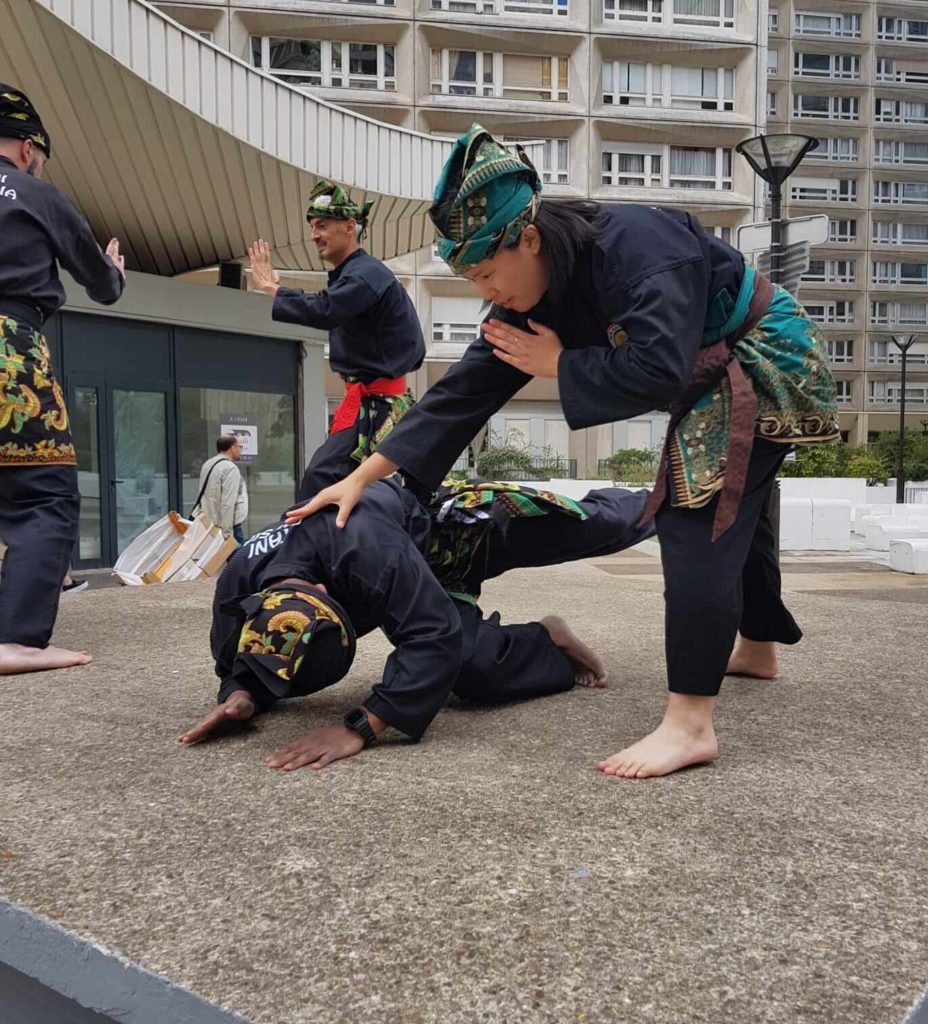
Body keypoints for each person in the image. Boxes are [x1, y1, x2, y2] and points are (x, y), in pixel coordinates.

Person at [285, 125, 840, 779]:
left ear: (528, 237)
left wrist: (561, 363)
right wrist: (365, 477)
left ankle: (690, 724)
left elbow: (658, 367)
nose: (488, 292)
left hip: (762, 354)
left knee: (696, 510)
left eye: (489, 273)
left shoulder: (635, 248)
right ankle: (758, 646)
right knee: (741, 499)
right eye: (473, 281)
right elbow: (461, 396)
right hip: (712, 368)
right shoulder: (527, 294)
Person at [178, 478, 654, 769]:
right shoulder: (238, 583)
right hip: (396, 569)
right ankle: (548, 641)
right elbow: (238, 662)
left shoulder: (365, 549)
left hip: (452, 534)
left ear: (327, 594)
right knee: (472, 670)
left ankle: (677, 495)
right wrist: (241, 697)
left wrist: (360, 727)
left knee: (598, 526)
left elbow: (432, 635)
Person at [0, 83, 125, 675]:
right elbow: (101, 284)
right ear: (27, 147)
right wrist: (115, 271)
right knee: (42, 496)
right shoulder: (35, 194)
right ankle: (17, 638)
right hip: (10, 351)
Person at [246, 180, 426, 500]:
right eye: (314, 226)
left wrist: (273, 288)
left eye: (322, 225)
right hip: (369, 405)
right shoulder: (355, 276)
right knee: (353, 490)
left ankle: (324, 548)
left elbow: (326, 308)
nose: (315, 234)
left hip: (377, 409)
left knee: (322, 479)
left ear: (350, 226)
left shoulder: (366, 275)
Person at [194, 435, 248, 544]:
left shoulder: (208, 464)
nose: (241, 450)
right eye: (240, 447)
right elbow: (227, 503)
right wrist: (227, 535)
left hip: (209, 522)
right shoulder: (230, 468)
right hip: (229, 526)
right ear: (232, 448)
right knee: (241, 559)